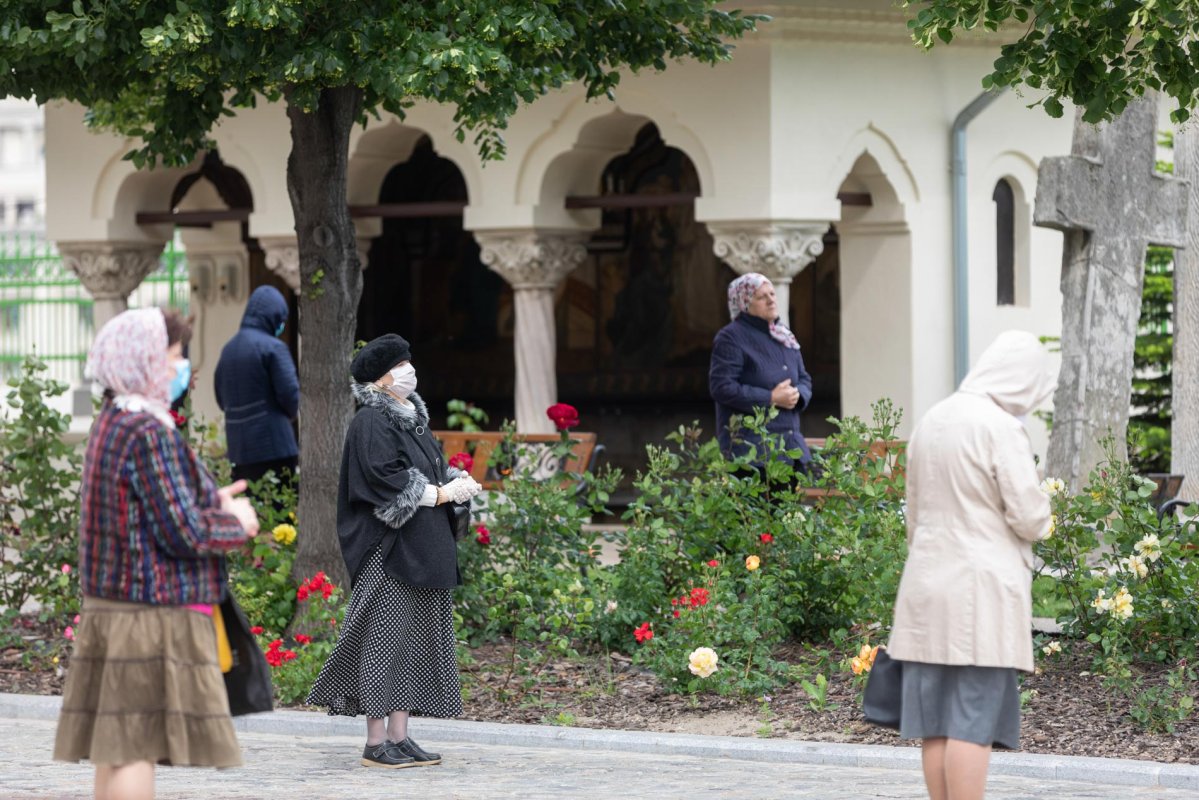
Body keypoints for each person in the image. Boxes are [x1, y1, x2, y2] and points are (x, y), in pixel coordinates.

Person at [53, 308, 260, 800]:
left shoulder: (114, 420)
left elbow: (153, 510)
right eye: (171, 357)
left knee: (118, 747)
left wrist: (212, 500)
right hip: (147, 612)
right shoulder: (149, 432)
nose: (178, 367)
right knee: (136, 745)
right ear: (143, 361)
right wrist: (237, 523)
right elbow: (182, 530)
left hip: (114, 608)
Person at [886, 330, 1055, 800]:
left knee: (937, 722)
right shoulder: (1000, 427)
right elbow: (1029, 517)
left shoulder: (933, 418)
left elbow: (914, 515)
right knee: (972, 721)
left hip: (925, 586)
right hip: (980, 592)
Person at [307, 333, 482, 769]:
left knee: (415, 642)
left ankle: (400, 737)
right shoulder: (371, 421)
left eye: (409, 361)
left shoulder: (411, 416)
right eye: (400, 365)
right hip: (391, 550)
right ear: (381, 379)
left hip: (423, 547)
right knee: (383, 642)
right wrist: (442, 494)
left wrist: (455, 482)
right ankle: (374, 741)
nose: (409, 370)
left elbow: (432, 471)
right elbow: (384, 480)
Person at [709, 272, 814, 469]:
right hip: (751, 455)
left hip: (790, 451)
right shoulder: (730, 337)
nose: (771, 300)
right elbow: (721, 387)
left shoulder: (784, 335)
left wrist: (797, 395)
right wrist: (771, 398)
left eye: (772, 294)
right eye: (761, 297)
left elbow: (804, 378)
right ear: (743, 303)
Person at [214, 285, 299, 483]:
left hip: (239, 450)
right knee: (279, 510)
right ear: (275, 316)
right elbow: (290, 395)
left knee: (250, 509)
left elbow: (220, 398)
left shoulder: (228, 349)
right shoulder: (274, 348)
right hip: (275, 447)